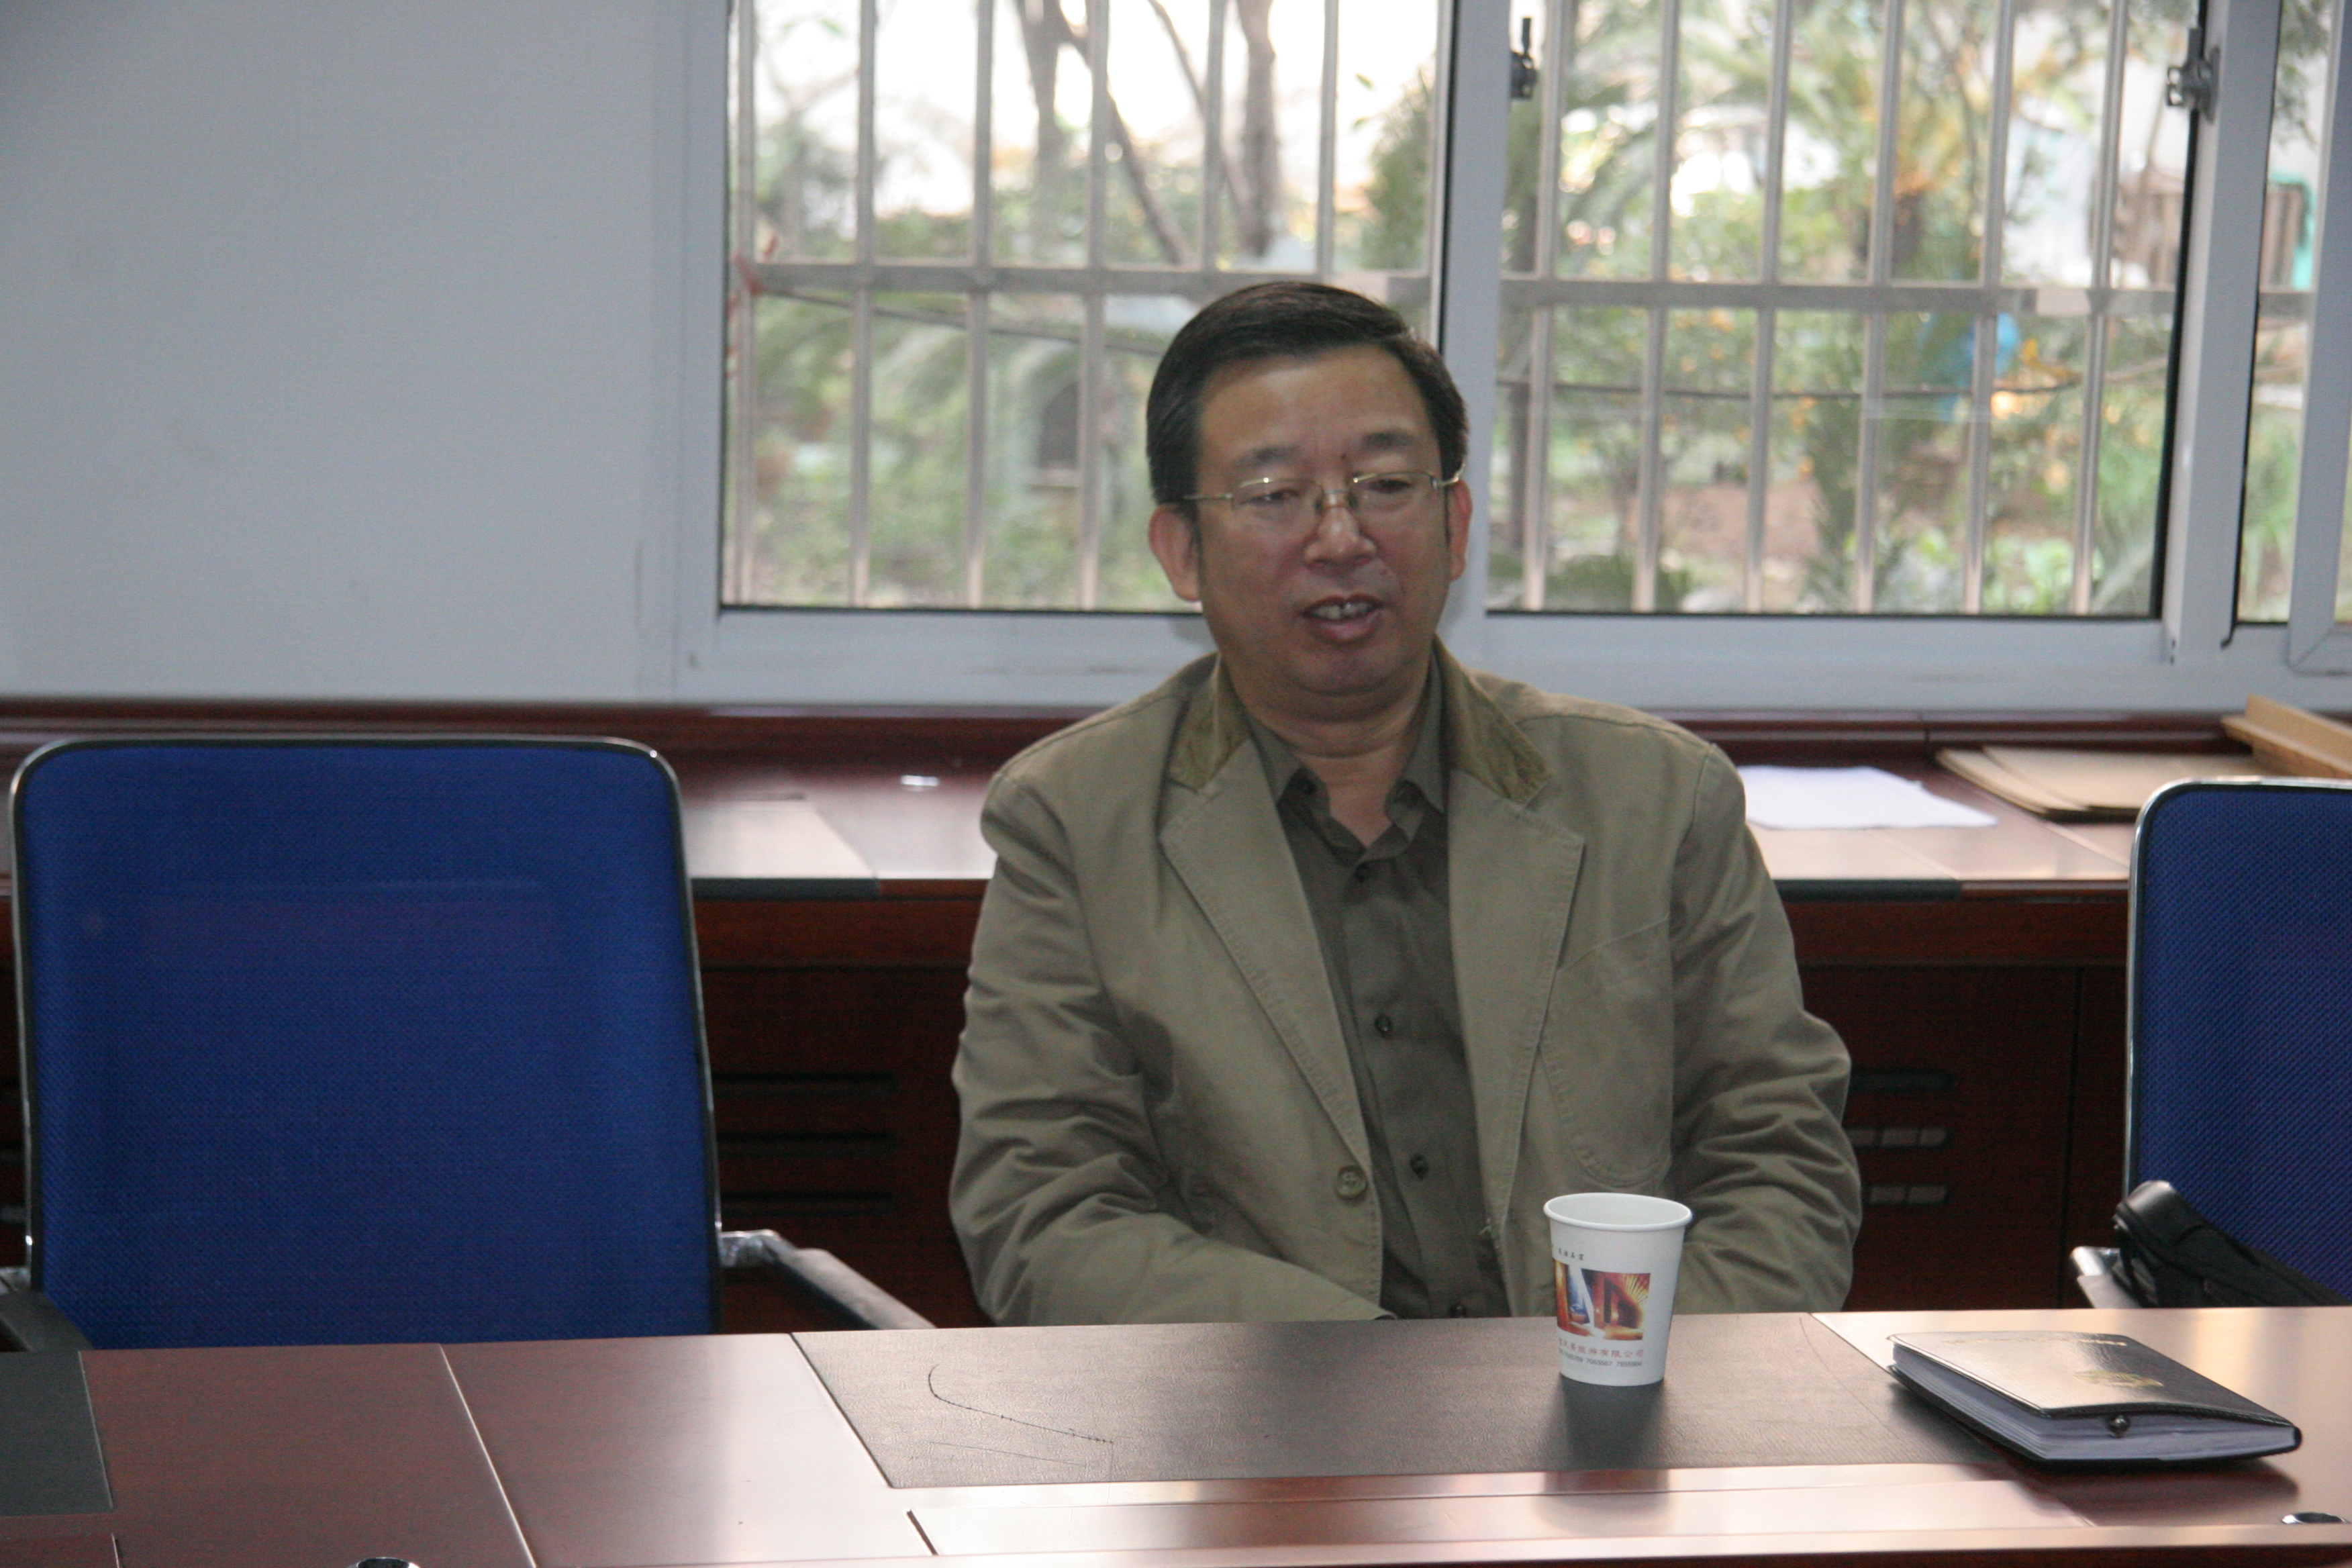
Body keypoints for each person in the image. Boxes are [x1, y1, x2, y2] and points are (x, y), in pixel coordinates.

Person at [950, 281, 1861, 1324]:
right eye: (1275, 495)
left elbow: (1777, 1162)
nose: (1341, 537)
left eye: (1385, 484)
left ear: (1456, 522)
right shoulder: (1075, 822)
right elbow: (1046, 1215)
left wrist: (1603, 1367)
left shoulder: (1657, 800)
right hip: (1267, 1415)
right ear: (1182, 551)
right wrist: (1376, 1384)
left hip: (1603, 1400)